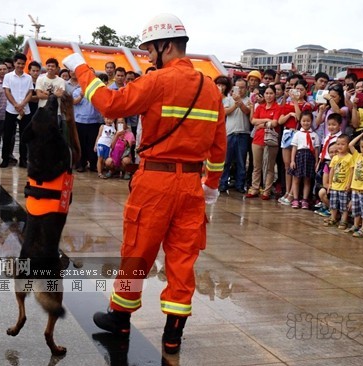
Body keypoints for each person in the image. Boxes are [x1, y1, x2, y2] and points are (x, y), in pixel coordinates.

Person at [63, 12, 226, 354]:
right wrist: (209, 189)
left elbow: (109, 103)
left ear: (166, 46)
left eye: (150, 49)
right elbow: (219, 147)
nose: (148, 56)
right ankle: (173, 335)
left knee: (137, 252)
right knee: (183, 259)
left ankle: (120, 318)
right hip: (192, 187)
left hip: (156, 181)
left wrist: (81, 67)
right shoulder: (211, 89)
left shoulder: (157, 82)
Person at [246, 84, 280, 199]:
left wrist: (261, 124)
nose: (269, 96)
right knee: (257, 166)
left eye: (271, 93)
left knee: (270, 167)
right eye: (266, 93)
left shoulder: (277, 107)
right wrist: (266, 121)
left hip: (271, 141)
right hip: (257, 139)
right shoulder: (260, 107)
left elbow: (275, 123)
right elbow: (253, 121)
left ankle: (267, 190)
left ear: (275, 95)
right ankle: (255, 188)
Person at [0, 53, 33, 168]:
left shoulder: (28, 77)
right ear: (14, 63)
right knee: (8, 135)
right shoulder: (8, 76)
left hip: (25, 111)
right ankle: (5, 159)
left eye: (22, 64)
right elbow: (7, 91)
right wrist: (16, 105)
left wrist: (22, 104)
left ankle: (23, 160)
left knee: (24, 136)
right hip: (11, 110)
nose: (20, 66)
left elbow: (30, 92)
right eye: (18, 63)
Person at [219, 78, 251, 193]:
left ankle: (240, 185)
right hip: (230, 133)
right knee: (226, 161)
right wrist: (235, 104)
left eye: (242, 87)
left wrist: (240, 103)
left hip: (243, 133)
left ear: (246, 88)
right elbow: (225, 112)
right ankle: (223, 183)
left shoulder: (248, 100)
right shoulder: (228, 99)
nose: (240, 90)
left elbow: (247, 112)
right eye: (237, 87)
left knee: (241, 161)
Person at [289, 111, 320, 209]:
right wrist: (292, 160)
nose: (306, 123)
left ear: (311, 122)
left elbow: (316, 150)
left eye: (308, 121)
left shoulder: (315, 135)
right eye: (303, 121)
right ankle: (295, 199)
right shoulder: (298, 134)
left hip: (310, 157)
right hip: (299, 156)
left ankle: (305, 200)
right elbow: (294, 148)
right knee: (296, 179)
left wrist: (316, 162)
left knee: (307, 180)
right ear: (300, 121)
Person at [325, 134, 354, 230]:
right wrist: (329, 184)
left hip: (343, 187)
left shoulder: (350, 157)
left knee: (344, 206)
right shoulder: (335, 158)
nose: (340, 146)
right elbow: (332, 171)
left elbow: (351, 172)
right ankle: (333, 218)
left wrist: (349, 184)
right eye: (338, 144)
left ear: (348, 145)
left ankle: (343, 221)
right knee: (333, 204)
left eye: (342, 144)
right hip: (334, 185)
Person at [314, 142, 338, 217]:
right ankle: (332, 210)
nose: (334, 154)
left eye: (336, 151)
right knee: (322, 192)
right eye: (331, 152)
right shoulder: (327, 164)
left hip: (344, 189)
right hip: (333, 188)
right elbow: (325, 183)